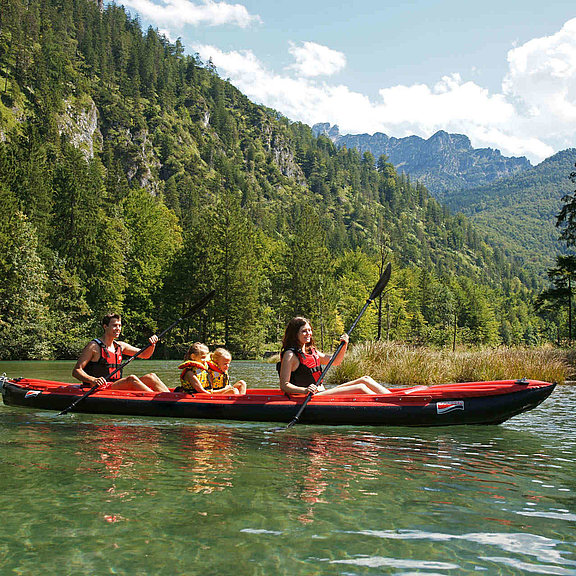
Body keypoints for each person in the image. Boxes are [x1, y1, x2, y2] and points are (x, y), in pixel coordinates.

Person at [278, 316, 391, 397]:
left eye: (309, 330)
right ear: (295, 334)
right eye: (304, 331)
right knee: (360, 388)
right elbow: (284, 385)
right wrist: (304, 390)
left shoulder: (311, 351)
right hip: (311, 396)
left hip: (322, 391)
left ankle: (395, 399)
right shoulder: (290, 355)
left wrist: (344, 345)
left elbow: (336, 361)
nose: (309, 334)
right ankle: (389, 407)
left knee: (365, 379)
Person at [73, 313, 170, 392]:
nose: (118, 328)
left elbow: (145, 355)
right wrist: (93, 380)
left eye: (119, 326)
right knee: (131, 379)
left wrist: (152, 345)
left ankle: (170, 397)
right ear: (105, 326)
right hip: (101, 387)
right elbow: (76, 371)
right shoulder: (94, 346)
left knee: (151, 377)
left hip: (115, 385)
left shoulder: (120, 346)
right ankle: (157, 401)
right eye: (114, 325)